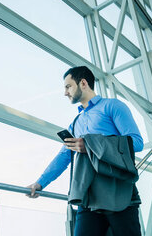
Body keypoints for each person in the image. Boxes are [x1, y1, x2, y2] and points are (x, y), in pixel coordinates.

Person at [26, 66, 144, 236]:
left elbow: (137, 142)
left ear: (83, 83)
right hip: (88, 197)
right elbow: (64, 156)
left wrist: (89, 144)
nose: (65, 92)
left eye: (68, 86)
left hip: (119, 192)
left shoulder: (112, 106)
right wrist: (40, 183)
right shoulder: (75, 123)